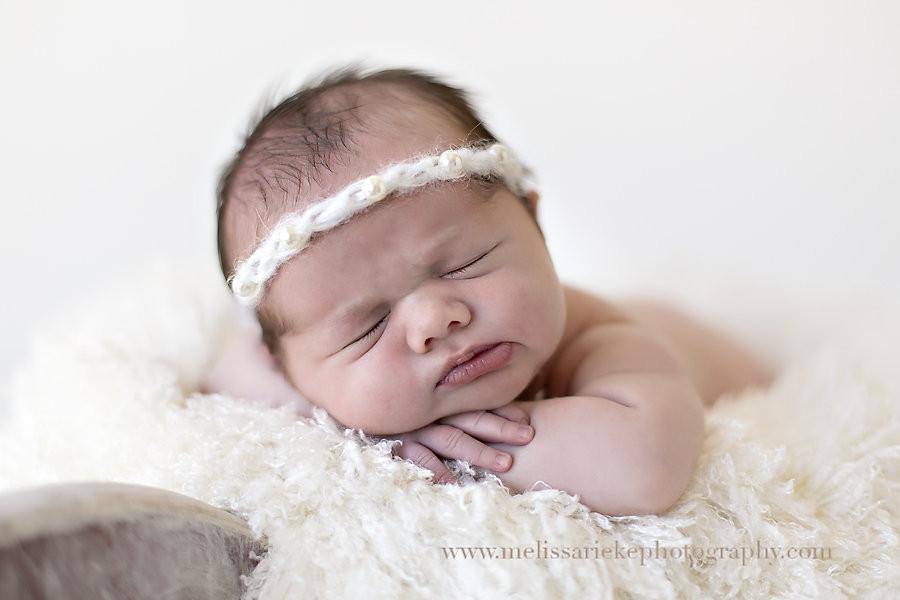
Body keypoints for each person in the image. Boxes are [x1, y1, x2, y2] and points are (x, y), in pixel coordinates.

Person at [204, 65, 774, 516]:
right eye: (368, 325)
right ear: (283, 363)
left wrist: (444, 445)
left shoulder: (604, 339)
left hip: (721, 354)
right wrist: (357, 427)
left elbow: (644, 464)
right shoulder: (272, 356)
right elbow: (230, 373)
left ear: (534, 224)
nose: (435, 318)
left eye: (464, 264)